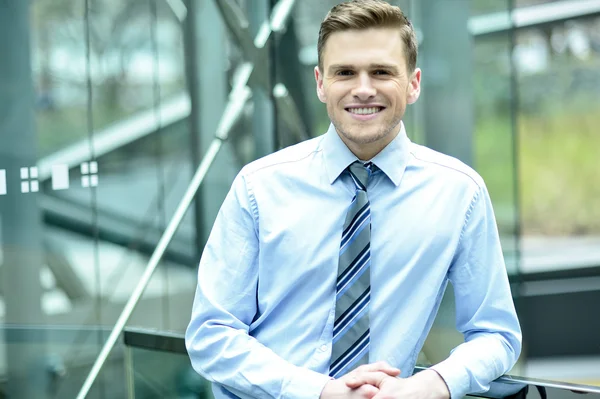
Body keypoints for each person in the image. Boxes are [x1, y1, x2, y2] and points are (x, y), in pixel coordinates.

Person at [185, 0, 522, 398]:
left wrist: (429, 386)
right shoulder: (259, 187)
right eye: (345, 72)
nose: (363, 89)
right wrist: (318, 392)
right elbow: (211, 334)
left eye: (381, 72)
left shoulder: (459, 194)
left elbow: (497, 334)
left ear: (413, 84)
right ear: (320, 83)